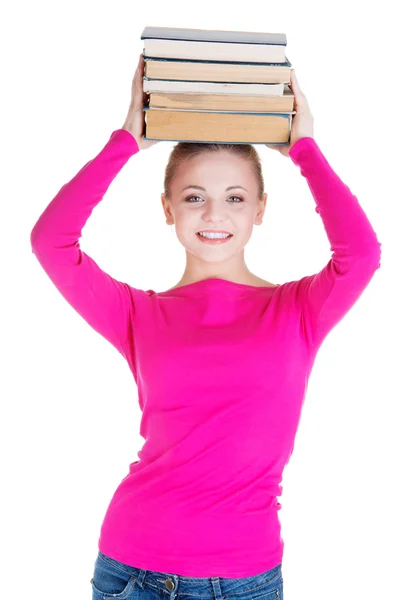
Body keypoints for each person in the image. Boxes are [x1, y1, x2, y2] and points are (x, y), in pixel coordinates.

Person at [30, 53, 381, 599]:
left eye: (235, 199)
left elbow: (361, 255)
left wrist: (304, 151)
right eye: (194, 198)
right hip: (132, 569)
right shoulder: (137, 313)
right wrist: (127, 139)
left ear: (260, 209)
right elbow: (49, 241)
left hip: (246, 577)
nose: (214, 215)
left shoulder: (300, 309)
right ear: (168, 208)